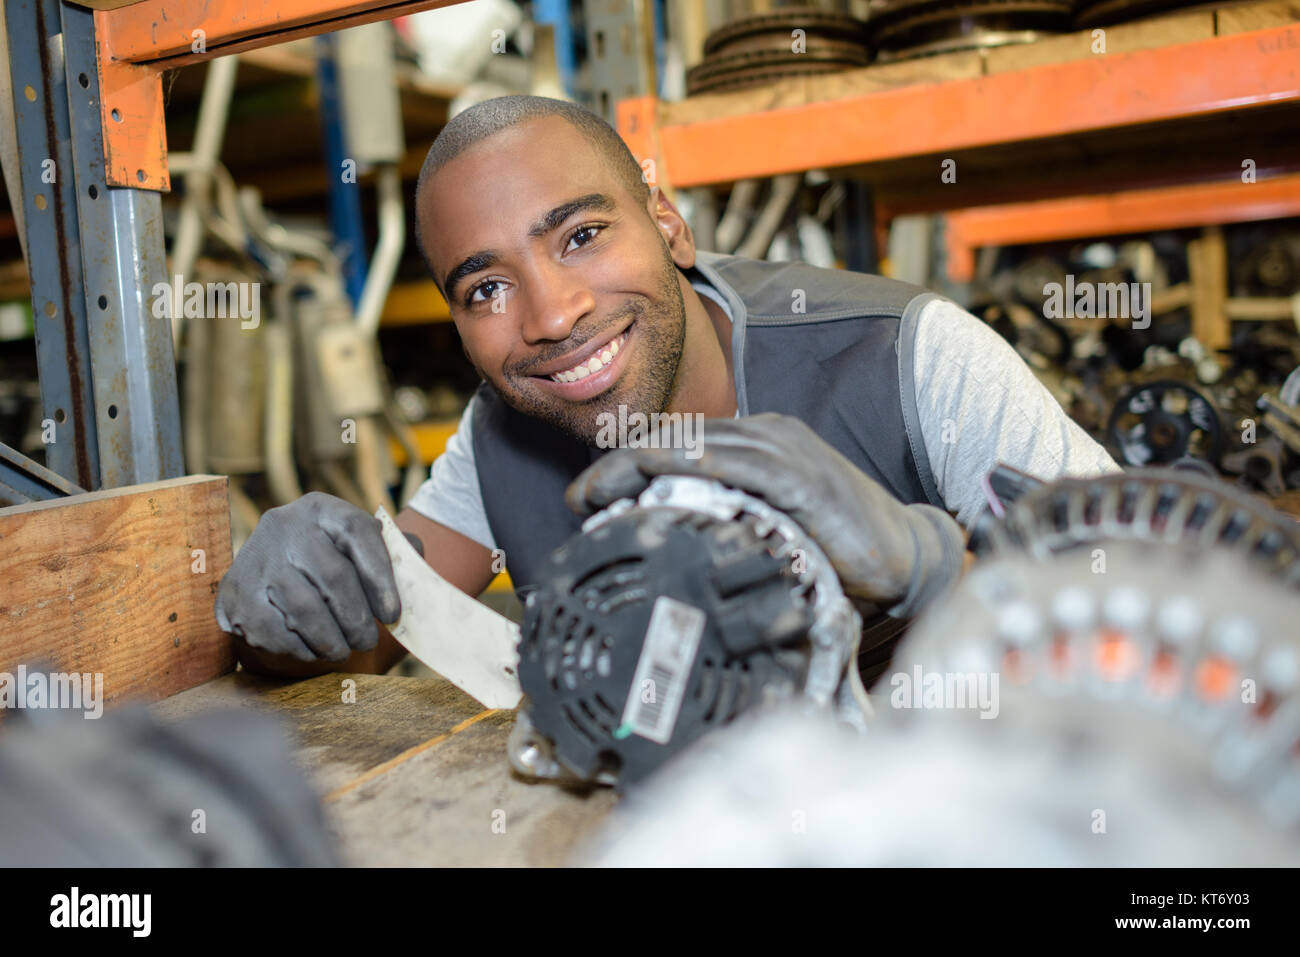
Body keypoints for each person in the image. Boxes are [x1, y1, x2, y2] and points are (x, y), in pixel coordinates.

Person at [217, 95, 1121, 677]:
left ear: (669, 226)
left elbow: (1154, 607)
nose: (553, 314)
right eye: (486, 287)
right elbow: (380, 621)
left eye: (579, 236)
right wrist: (296, 598)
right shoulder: (501, 435)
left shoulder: (907, 359)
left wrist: (931, 567)